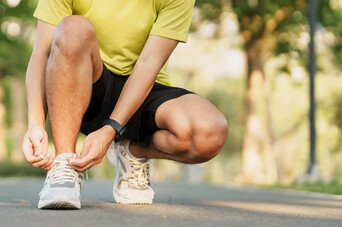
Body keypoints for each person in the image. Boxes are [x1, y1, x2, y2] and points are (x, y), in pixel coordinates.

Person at [21, 0, 228, 209]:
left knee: (209, 133)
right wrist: (35, 123)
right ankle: (64, 165)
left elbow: (150, 62)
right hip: (86, 86)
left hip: (141, 84)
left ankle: (132, 150)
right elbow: (43, 52)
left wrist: (112, 128)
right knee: (72, 28)